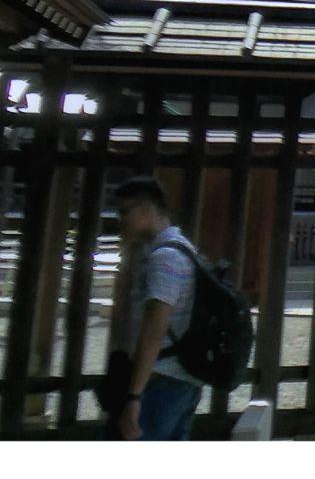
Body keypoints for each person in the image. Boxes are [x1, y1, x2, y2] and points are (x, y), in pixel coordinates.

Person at [108, 176, 206, 440]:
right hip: (178, 379)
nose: (120, 220)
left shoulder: (166, 258)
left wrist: (134, 396)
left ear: (146, 209)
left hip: (161, 379)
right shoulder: (174, 250)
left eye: (124, 212)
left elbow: (154, 329)